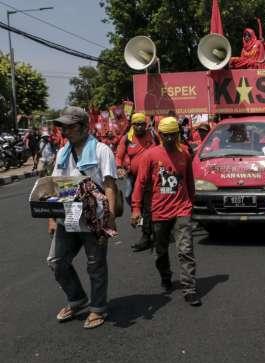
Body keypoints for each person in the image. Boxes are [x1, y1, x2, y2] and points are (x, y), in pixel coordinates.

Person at [47, 106, 118, 329]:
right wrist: (51, 217)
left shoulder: (101, 150)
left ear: (84, 127)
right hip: (68, 216)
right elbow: (55, 187)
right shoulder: (62, 153)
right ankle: (77, 299)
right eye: (63, 127)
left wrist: (110, 216)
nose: (65, 131)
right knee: (56, 262)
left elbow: (109, 185)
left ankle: (98, 308)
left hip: (94, 217)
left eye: (70, 126)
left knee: (95, 265)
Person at [131, 117, 201, 306]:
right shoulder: (150, 155)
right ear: (160, 135)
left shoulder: (185, 153)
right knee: (160, 251)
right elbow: (140, 182)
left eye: (173, 135)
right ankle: (165, 275)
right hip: (159, 211)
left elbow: (189, 181)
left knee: (185, 249)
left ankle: (189, 288)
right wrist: (136, 208)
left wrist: (191, 202)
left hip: (182, 208)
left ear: (177, 134)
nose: (170, 139)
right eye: (166, 136)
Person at [116, 113, 157, 252]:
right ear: (132, 125)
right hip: (133, 176)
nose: (139, 127)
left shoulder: (153, 136)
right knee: (129, 196)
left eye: (142, 124)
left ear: (146, 125)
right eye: (136, 124)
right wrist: (119, 168)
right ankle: (140, 215)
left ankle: (147, 235)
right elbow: (119, 156)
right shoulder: (127, 138)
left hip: (152, 177)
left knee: (148, 205)